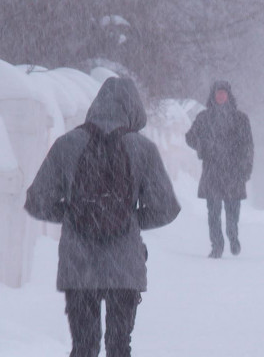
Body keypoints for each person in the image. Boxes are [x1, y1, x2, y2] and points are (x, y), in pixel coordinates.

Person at [24, 77, 180, 357]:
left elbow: (37, 202)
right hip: (124, 266)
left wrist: (73, 214)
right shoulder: (143, 149)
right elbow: (166, 208)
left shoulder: (67, 144)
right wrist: (130, 218)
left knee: (84, 347)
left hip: (78, 265)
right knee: (119, 348)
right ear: (133, 110)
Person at [186, 80, 253, 258]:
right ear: (213, 95)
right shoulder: (204, 118)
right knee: (213, 212)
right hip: (212, 172)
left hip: (234, 172)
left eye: (223, 92)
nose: (221, 95)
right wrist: (203, 146)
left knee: (232, 212)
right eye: (218, 92)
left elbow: (248, 147)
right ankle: (217, 245)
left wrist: (246, 170)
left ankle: (233, 236)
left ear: (229, 95)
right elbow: (190, 137)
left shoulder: (240, 119)